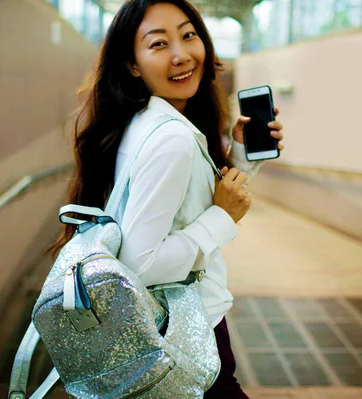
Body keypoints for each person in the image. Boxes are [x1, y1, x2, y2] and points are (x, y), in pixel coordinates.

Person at [48, 0, 284, 397]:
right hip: (185, 336)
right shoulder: (171, 137)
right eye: (159, 44)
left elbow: (178, 206)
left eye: (188, 35)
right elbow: (141, 263)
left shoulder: (143, 121)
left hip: (172, 333)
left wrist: (240, 156)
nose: (181, 54)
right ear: (132, 64)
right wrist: (222, 219)